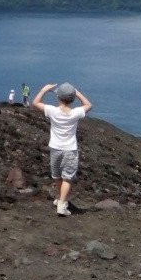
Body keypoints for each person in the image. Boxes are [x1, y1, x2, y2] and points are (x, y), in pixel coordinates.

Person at [32, 82, 92, 216]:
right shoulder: (76, 113)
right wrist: (77, 92)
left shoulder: (52, 111)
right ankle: (62, 205)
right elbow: (88, 105)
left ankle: (61, 200)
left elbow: (36, 103)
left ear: (58, 97)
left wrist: (44, 90)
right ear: (72, 98)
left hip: (55, 148)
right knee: (67, 178)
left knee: (58, 176)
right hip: (70, 149)